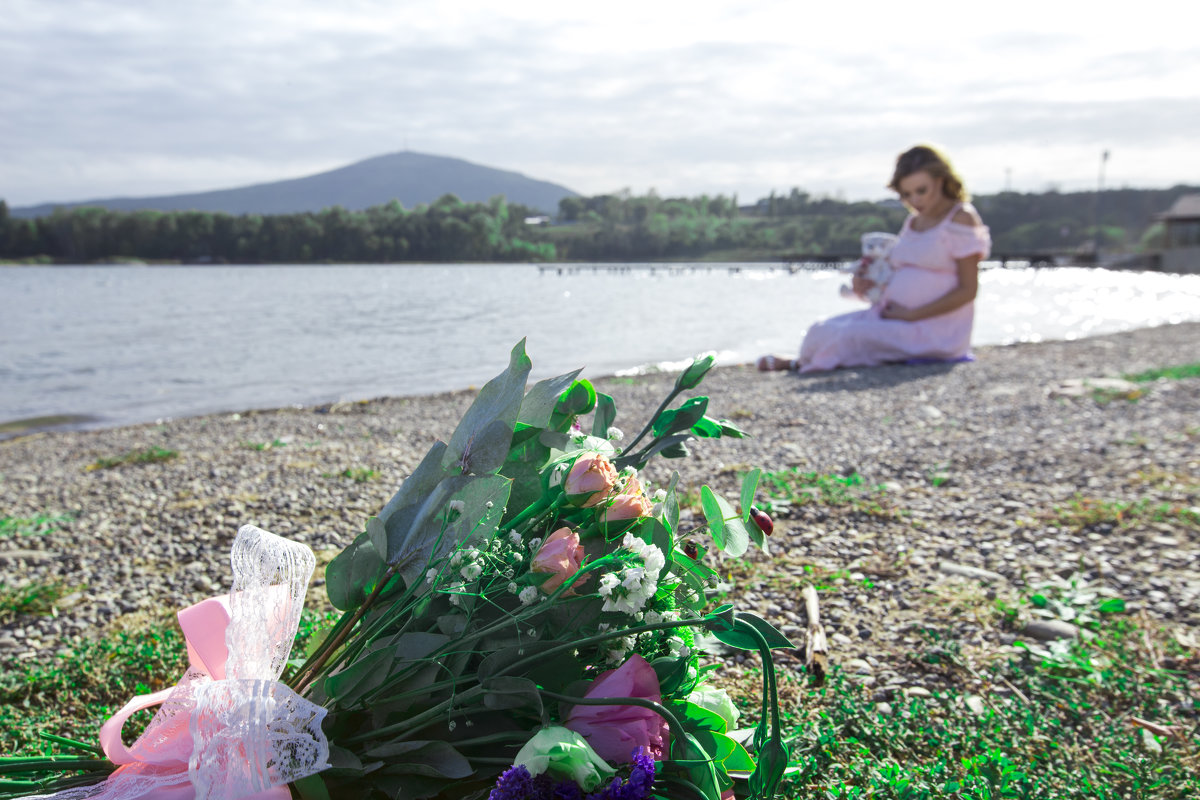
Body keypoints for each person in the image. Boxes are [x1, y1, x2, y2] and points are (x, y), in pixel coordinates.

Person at [758, 144, 991, 373]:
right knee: (818, 330)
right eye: (906, 194)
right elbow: (899, 274)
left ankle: (794, 364)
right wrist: (866, 287)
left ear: (941, 180)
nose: (915, 201)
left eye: (922, 190)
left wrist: (912, 314)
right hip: (895, 318)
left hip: (935, 330)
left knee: (847, 336)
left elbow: (968, 290)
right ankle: (800, 360)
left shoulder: (960, 218)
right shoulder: (914, 221)